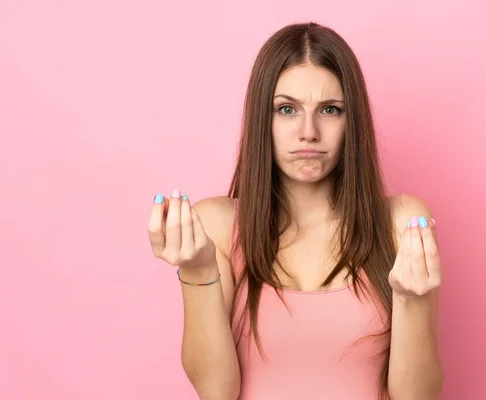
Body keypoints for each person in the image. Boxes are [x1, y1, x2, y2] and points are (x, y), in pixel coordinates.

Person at [147, 22, 444, 400]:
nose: (308, 132)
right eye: (287, 109)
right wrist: (197, 270)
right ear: (262, 119)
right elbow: (216, 391)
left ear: (353, 122)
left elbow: (418, 397)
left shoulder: (401, 223)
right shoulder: (217, 227)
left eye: (330, 110)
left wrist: (412, 299)